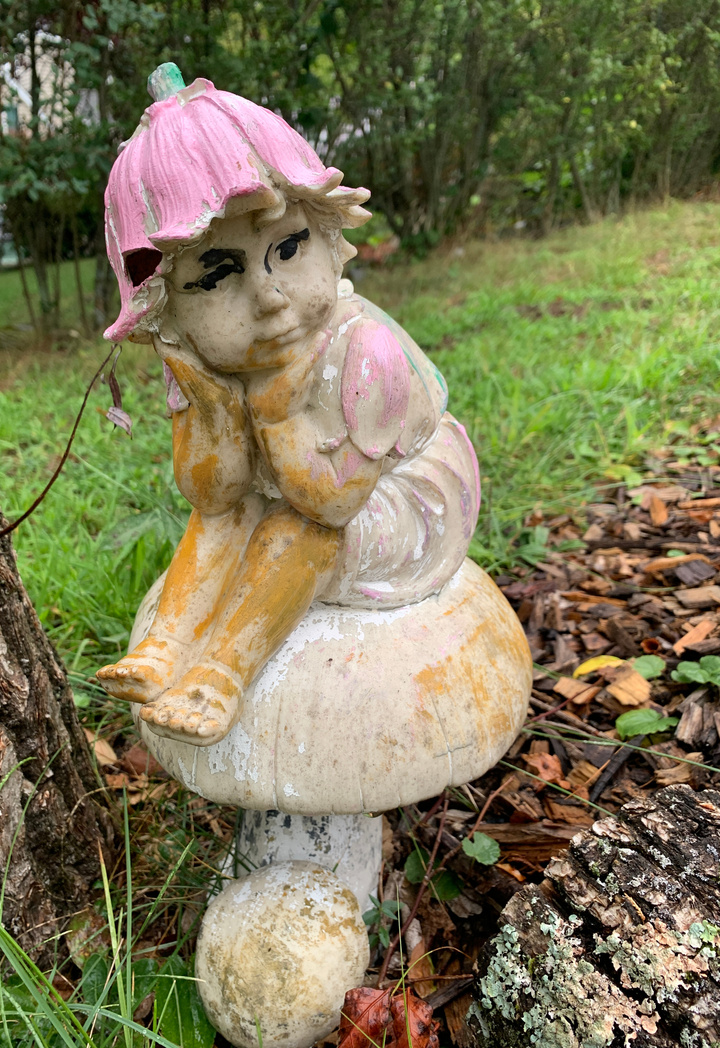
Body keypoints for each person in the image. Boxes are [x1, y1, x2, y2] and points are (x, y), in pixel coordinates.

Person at [97, 69, 480, 746]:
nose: (270, 297)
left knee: (293, 530)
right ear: (167, 308)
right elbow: (211, 495)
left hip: (398, 496)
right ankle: (166, 644)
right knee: (227, 519)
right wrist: (216, 412)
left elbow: (329, 503)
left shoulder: (364, 351)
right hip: (297, 488)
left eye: (289, 247)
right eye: (218, 274)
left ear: (327, 237)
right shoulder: (203, 360)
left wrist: (275, 416)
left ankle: (222, 672)